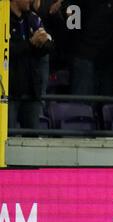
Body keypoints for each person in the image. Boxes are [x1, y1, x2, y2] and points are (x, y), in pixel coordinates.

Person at [9, 0, 54, 129]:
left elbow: (49, 46)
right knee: (8, 137)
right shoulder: (3, 19)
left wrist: (44, 42)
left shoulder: (33, 18)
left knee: (32, 138)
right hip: (11, 92)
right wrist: (31, 43)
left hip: (32, 91)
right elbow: (8, 50)